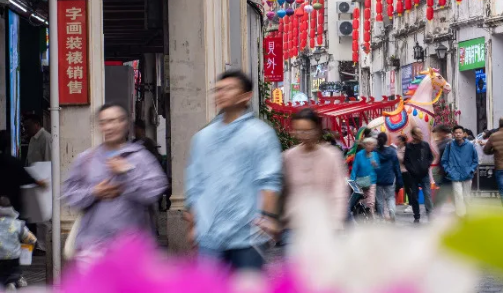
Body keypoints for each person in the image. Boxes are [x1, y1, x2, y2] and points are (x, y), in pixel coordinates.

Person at [185, 70, 282, 270]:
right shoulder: (202, 138)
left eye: (229, 89)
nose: (221, 94)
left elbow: (269, 180)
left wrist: (268, 217)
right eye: (218, 90)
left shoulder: (260, 134)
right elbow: (195, 184)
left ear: (246, 96)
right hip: (209, 234)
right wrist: (193, 224)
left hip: (247, 235)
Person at [63, 104, 168, 258]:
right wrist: (94, 192)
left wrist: (127, 172)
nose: (109, 126)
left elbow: (153, 193)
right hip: (93, 247)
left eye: (114, 121)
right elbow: (70, 195)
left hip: (131, 248)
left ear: (124, 124)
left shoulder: (140, 157)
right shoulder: (87, 159)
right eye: (104, 122)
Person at [282, 108, 348, 242]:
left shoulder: (331, 156)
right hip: (295, 226)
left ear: (317, 129)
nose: (303, 135)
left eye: (308, 131)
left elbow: (339, 190)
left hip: (325, 225)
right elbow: (283, 190)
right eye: (299, 131)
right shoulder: (288, 157)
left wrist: (336, 220)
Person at [440, 125, 478, 217]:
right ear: (453, 134)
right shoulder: (450, 146)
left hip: (467, 174)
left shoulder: (470, 145)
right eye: (456, 133)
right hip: (454, 175)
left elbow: (475, 160)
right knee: (458, 195)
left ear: (464, 134)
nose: (458, 134)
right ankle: (461, 215)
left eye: (460, 133)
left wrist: (471, 170)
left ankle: (468, 213)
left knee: (467, 196)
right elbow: (444, 160)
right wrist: (449, 170)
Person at [0, 196, 36, 289]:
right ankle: (11, 283)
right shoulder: (17, 224)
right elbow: (32, 239)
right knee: (12, 275)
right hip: (12, 258)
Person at [404, 127, 433, 223]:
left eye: (421, 133)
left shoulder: (425, 145)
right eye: (418, 133)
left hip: (424, 174)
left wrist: (426, 166)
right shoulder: (409, 146)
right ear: (413, 136)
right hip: (413, 176)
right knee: (414, 196)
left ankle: (430, 215)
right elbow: (406, 161)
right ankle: (416, 215)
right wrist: (412, 170)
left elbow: (430, 157)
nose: (421, 135)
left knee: (427, 195)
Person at [373, 132, 402, 222]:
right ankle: (392, 211)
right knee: (390, 197)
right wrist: (399, 178)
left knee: (380, 200)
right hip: (390, 178)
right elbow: (396, 166)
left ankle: (381, 217)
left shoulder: (374, 152)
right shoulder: (392, 151)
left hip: (377, 178)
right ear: (386, 140)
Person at [349, 137, 378, 220]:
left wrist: (376, 165)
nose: (369, 146)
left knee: (371, 202)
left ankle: (371, 218)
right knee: (361, 201)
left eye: (371, 144)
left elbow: (378, 168)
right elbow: (355, 168)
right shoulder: (359, 155)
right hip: (360, 182)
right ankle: (361, 217)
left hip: (371, 181)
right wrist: (352, 181)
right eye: (367, 144)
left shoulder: (375, 155)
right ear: (364, 145)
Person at [432, 125, 453, 210]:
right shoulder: (443, 142)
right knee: (449, 191)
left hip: (447, 171)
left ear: (442, 132)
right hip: (444, 171)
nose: (437, 134)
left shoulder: (448, 143)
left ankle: (436, 209)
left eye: (438, 132)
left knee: (444, 192)